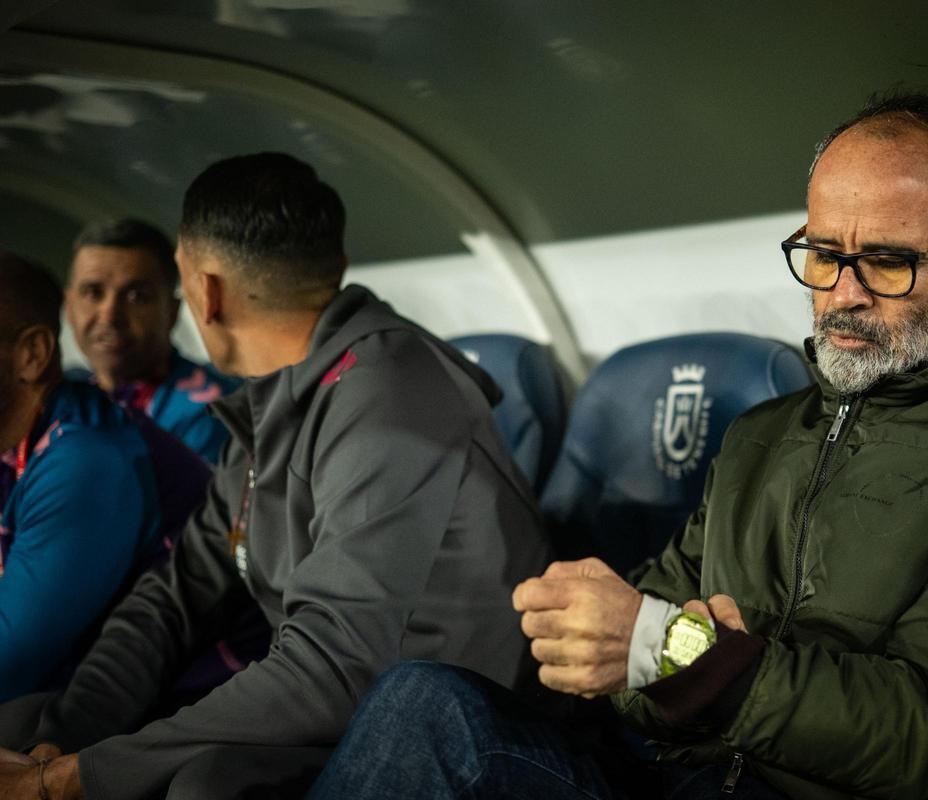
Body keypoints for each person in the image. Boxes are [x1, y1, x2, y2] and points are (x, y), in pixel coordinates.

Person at [307, 93, 928, 799]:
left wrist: (688, 655)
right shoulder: (762, 438)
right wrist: (631, 645)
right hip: (679, 776)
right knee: (427, 702)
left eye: (886, 261)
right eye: (822, 255)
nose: (843, 295)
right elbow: (634, 658)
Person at [0, 153, 551, 800]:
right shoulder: (278, 399)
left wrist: (74, 779)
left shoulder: (392, 401)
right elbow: (174, 597)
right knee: (22, 720)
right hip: (354, 713)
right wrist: (62, 740)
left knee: (208, 787)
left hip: (459, 734)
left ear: (205, 292)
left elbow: (333, 663)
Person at [0, 252, 210, 705]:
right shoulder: (18, 435)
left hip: (160, 730)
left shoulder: (85, 461)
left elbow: (7, 668)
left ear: (32, 355)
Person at [66, 218, 239, 464]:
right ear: (69, 306)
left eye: (137, 296)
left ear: (172, 310)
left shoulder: (210, 413)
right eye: (93, 292)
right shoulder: (60, 396)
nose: (110, 315)